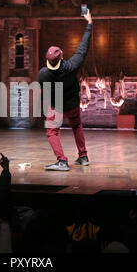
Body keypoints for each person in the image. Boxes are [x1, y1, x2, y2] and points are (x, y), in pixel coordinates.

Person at [38, 9, 93, 171]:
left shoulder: (43, 74)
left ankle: (62, 161)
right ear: (61, 56)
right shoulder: (71, 66)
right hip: (72, 103)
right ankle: (83, 156)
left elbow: (45, 94)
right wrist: (89, 23)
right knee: (76, 125)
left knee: (52, 131)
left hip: (56, 105)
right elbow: (83, 47)